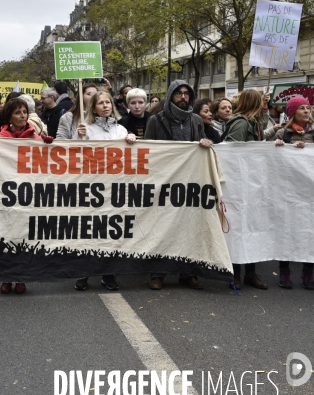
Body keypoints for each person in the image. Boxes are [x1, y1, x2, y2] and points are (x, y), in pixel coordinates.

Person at [144, 80, 212, 291]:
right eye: (179, 94)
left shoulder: (196, 120)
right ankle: (158, 273)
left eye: (186, 94)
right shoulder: (156, 120)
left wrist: (204, 144)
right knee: (162, 228)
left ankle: (188, 273)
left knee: (189, 228)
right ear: (171, 95)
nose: (183, 97)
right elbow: (148, 149)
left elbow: (203, 145)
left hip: (189, 181)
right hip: (164, 181)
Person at [0, 98, 53, 294]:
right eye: (18, 112)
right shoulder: (0, 137)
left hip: (27, 195)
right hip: (6, 196)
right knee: (6, 237)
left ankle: (21, 276)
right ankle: (6, 276)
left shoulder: (35, 138)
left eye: (24, 112)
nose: (22, 116)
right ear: (9, 117)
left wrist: (47, 146)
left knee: (24, 236)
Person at [72, 90, 136, 292]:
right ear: (93, 108)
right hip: (92, 188)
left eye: (108, 102)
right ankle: (84, 272)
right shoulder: (86, 130)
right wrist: (78, 137)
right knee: (90, 230)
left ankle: (109, 274)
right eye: (101, 103)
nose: (106, 106)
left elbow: (132, 157)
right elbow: (72, 156)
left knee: (112, 232)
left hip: (114, 189)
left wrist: (132, 140)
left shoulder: (121, 130)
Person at [224, 89, 268, 291]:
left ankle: (250, 272)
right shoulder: (241, 123)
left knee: (252, 227)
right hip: (240, 184)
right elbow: (232, 151)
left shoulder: (253, 122)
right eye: (260, 102)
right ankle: (236, 273)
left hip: (251, 182)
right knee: (239, 228)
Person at [274, 96, 314, 290]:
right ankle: (285, 270)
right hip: (288, 191)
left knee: (310, 230)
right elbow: (267, 159)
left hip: (309, 192)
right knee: (287, 229)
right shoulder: (283, 133)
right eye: (302, 108)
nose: (307, 111)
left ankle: (308, 271)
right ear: (292, 113)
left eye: (308, 108)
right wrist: (279, 147)